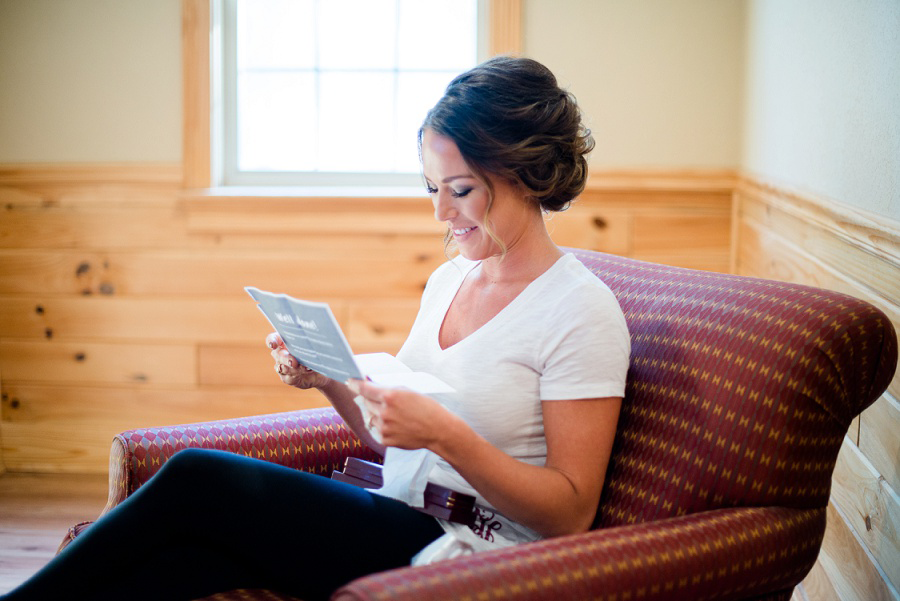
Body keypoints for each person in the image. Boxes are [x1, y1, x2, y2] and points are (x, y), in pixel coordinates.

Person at [2, 56, 630, 601]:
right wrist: (331, 381)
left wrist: (445, 435)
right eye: (432, 188)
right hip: (399, 509)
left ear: (522, 173)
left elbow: (569, 515)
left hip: (474, 549)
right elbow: (394, 441)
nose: (440, 212)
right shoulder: (452, 280)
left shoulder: (579, 310)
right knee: (183, 562)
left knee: (201, 476)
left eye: (461, 190)